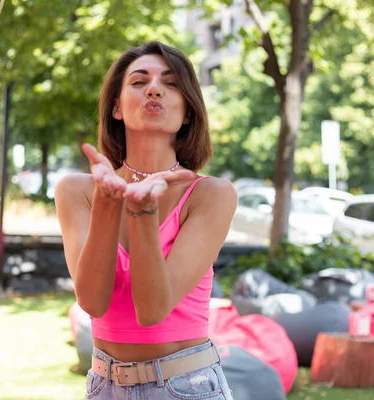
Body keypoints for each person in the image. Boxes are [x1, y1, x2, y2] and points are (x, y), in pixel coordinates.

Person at [56, 41, 237, 399]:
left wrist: (141, 213)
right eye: (139, 82)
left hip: (188, 386)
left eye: (170, 84)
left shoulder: (211, 194)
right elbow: (92, 302)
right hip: (105, 386)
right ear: (116, 107)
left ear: (187, 112)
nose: (154, 88)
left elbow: (153, 308)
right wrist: (109, 204)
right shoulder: (77, 190)